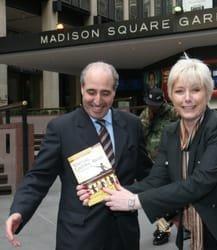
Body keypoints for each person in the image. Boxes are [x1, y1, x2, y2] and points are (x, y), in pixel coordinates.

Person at [78, 57, 217, 250]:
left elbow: (198, 184)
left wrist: (134, 201)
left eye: (195, 90)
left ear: (207, 93)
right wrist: (103, 192)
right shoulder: (171, 132)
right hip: (195, 232)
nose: (187, 98)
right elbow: (155, 180)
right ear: (170, 95)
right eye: (179, 91)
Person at [5, 62, 152, 250]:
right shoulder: (61, 128)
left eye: (105, 93)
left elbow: (147, 173)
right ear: (82, 88)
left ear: (114, 92)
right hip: (79, 237)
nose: (97, 100)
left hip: (124, 236)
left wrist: (169, 210)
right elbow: (38, 177)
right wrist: (19, 211)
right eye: (91, 92)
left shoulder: (132, 124)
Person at [139, 87, 176, 245]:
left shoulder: (173, 113)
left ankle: (164, 229)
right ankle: (165, 225)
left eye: (155, 104)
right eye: (150, 103)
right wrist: (149, 118)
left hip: (170, 163)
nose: (152, 106)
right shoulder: (145, 115)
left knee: (167, 199)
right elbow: (140, 136)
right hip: (150, 165)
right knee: (154, 200)